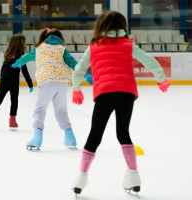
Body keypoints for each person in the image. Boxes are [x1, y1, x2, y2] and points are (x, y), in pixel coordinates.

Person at [71, 11, 170, 196]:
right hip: (126, 93)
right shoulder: (128, 44)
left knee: (95, 135)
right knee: (123, 133)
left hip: (104, 94)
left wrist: (76, 89)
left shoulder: (93, 46)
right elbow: (150, 61)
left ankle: (80, 178)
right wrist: (161, 78)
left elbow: (78, 69)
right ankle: (134, 177)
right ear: (122, 26)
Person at [11, 28, 89, 150]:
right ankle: (70, 137)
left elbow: (27, 57)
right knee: (61, 110)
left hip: (47, 81)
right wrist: (85, 73)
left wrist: (18, 63)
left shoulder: (39, 48)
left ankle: (37, 137)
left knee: (40, 109)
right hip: (62, 82)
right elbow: (73, 63)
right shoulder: (62, 49)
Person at [0, 34, 33, 130]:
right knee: (14, 100)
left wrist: (2, 79)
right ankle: (12, 121)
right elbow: (25, 71)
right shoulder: (21, 56)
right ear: (21, 43)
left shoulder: (8, 54)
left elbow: (3, 68)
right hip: (13, 81)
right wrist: (30, 84)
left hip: (5, 79)